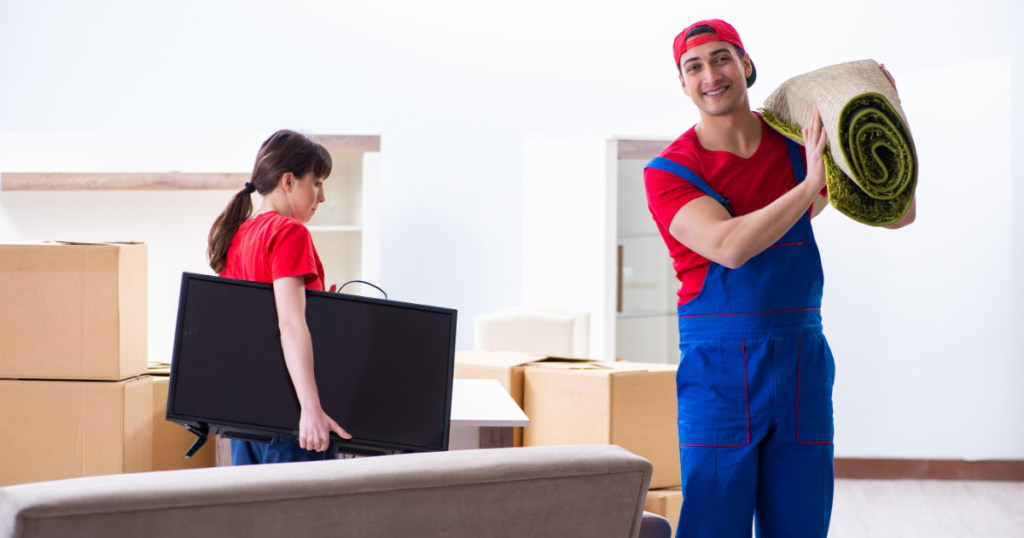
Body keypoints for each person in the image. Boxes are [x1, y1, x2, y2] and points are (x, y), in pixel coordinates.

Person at [643, 20, 915, 538]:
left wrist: (887, 118)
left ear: (745, 64)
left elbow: (898, 213)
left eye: (720, 58)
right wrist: (812, 182)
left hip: (801, 360)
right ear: (682, 84)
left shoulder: (798, 142)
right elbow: (730, 246)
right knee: (713, 524)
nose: (710, 74)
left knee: (802, 522)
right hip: (720, 367)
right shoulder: (670, 171)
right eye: (693, 66)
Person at [207, 129, 352, 465]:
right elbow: (288, 323)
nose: (322, 196)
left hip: (247, 418)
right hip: (291, 418)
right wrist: (311, 410)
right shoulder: (289, 232)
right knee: (310, 517)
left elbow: (251, 330)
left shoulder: (237, 235)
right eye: (316, 183)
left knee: (253, 517)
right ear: (289, 182)